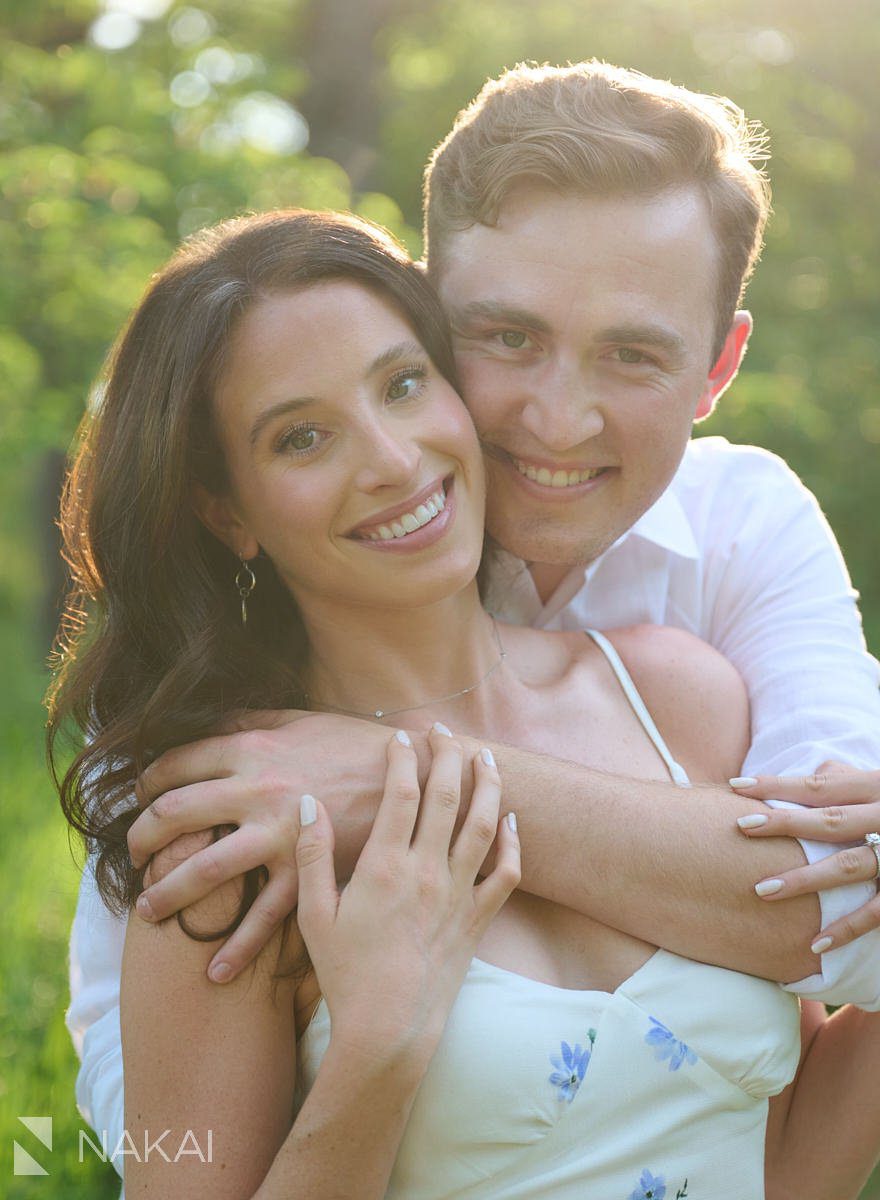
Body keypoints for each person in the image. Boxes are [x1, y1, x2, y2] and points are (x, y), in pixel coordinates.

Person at [62, 62, 880, 1194]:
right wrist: (380, 1049)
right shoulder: (239, 833)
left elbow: (786, 1135)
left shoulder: (683, 685)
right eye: (300, 438)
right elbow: (153, 1145)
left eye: (400, 387)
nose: (392, 460)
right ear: (226, 512)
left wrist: (403, 774)